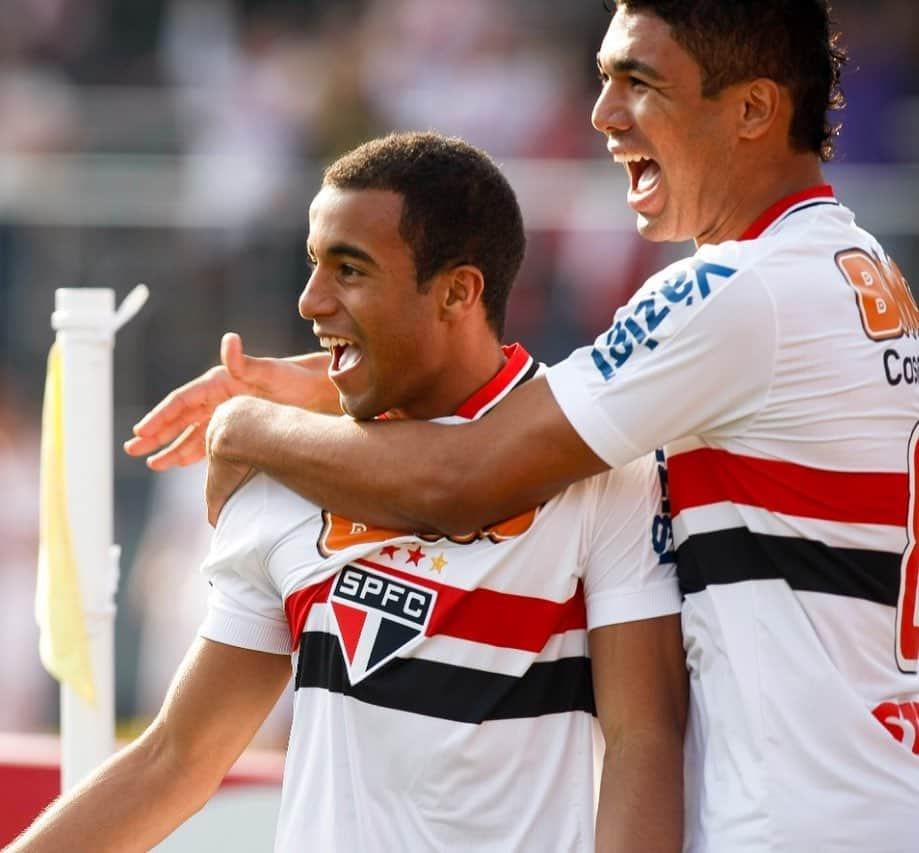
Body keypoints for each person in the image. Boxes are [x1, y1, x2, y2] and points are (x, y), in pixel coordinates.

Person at [125, 2, 919, 852]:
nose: (602, 113)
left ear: (753, 109)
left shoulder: (736, 292)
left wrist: (249, 427)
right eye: (604, 77)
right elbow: (542, 399)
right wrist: (315, 382)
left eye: (638, 82)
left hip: (792, 822)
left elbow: (462, 478)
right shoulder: (857, 275)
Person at [15, 132, 686, 852]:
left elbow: (642, 738)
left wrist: (244, 421)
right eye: (313, 264)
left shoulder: (603, 475)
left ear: (458, 291)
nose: (311, 300)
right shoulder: (278, 475)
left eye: (350, 270)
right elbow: (176, 757)